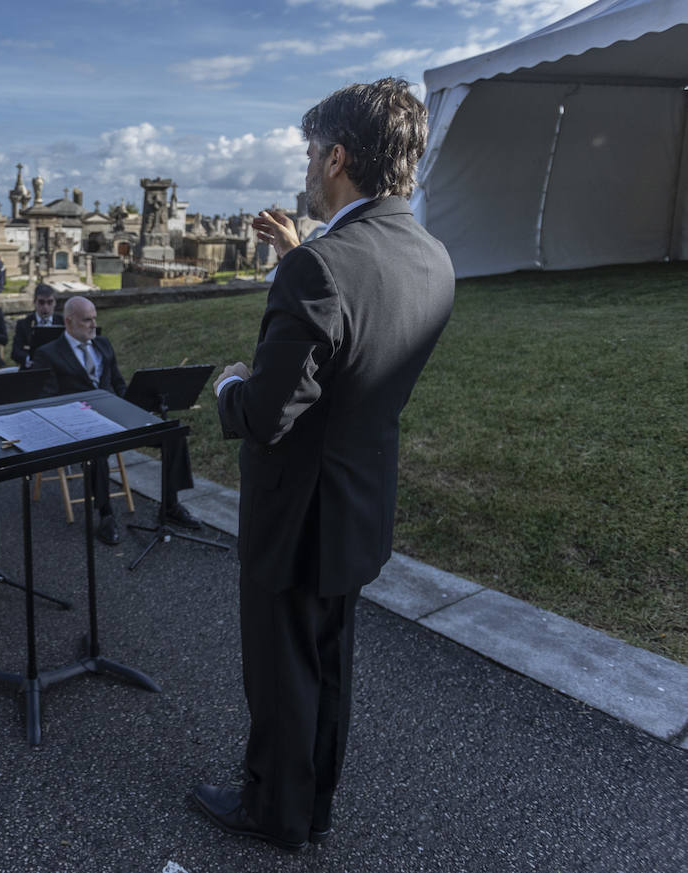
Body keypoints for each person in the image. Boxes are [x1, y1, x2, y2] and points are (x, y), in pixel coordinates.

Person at [192, 78, 454, 851]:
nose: (306, 167)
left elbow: (270, 413)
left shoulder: (320, 267)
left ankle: (273, 809)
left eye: (312, 151)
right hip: (360, 497)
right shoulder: (431, 255)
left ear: (338, 156)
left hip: (294, 506)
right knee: (330, 661)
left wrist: (231, 385)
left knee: (280, 670)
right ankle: (317, 799)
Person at [31, 296, 201, 545]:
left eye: (95, 318)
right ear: (69, 322)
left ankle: (171, 505)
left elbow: (118, 383)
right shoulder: (48, 354)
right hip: (81, 424)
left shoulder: (103, 344)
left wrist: (135, 408)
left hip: (117, 416)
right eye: (87, 320)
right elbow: (47, 399)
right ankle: (106, 514)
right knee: (97, 445)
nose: (93, 324)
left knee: (172, 433)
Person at [10, 284, 58, 368]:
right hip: (32, 368)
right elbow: (15, 352)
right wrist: (29, 359)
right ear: (34, 302)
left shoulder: (63, 322)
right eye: (41, 302)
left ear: (55, 303)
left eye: (50, 302)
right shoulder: (24, 324)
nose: (45, 307)